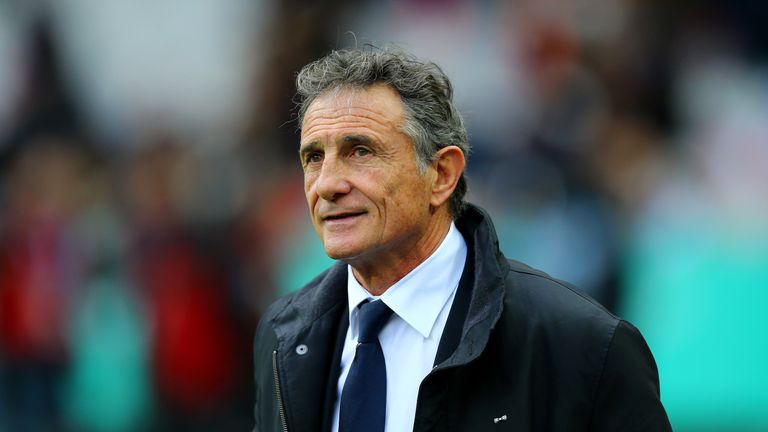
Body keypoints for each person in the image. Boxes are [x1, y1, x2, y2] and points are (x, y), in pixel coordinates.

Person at [252, 47, 671, 432]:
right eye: (313, 157)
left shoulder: (583, 345)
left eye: (360, 151)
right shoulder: (284, 334)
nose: (326, 185)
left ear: (442, 175)